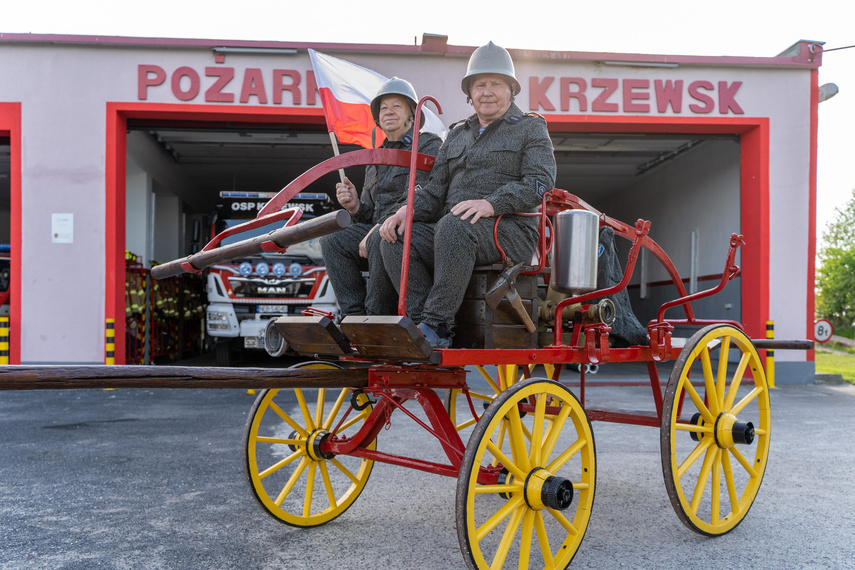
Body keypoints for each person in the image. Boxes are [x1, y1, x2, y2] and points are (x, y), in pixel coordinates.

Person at [379, 42, 556, 348]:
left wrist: (491, 203)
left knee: (452, 223)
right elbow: (435, 190)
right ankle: (419, 328)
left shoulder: (531, 128)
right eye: (479, 85)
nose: (487, 92)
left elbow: (541, 182)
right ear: (470, 93)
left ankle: (437, 326)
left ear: (511, 90)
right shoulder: (457, 133)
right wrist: (405, 212)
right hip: (456, 231)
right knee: (395, 238)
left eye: (495, 84)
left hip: (509, 232)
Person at [319, 78, 442, 318]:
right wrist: (355, 206)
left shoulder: (428, 145)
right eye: (383, 108)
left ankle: (375, 317)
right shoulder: (377, 158)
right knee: (332, 239)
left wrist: (377, 225)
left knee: (380, 235)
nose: (388, 111)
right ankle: (353, 316)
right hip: (378, 230)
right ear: (377, 118)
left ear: (412, 115)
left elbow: (425, 194)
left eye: (396, 106)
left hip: (415, 229)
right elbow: (369, 214)